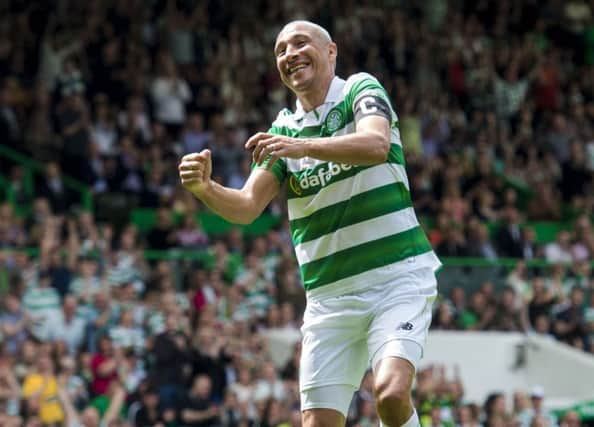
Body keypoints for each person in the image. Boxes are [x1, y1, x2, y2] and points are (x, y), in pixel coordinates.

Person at [179, 20, 440, 427]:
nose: (290, 54)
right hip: (329, 298)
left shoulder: (359, 89)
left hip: (395, 279)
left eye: (301, 43)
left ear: (331, 51)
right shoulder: (282, 132)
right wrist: (205, 189)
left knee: (389, 395)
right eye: (281, 50)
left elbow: (375, 144)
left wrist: (302, 147)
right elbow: (247, 207)